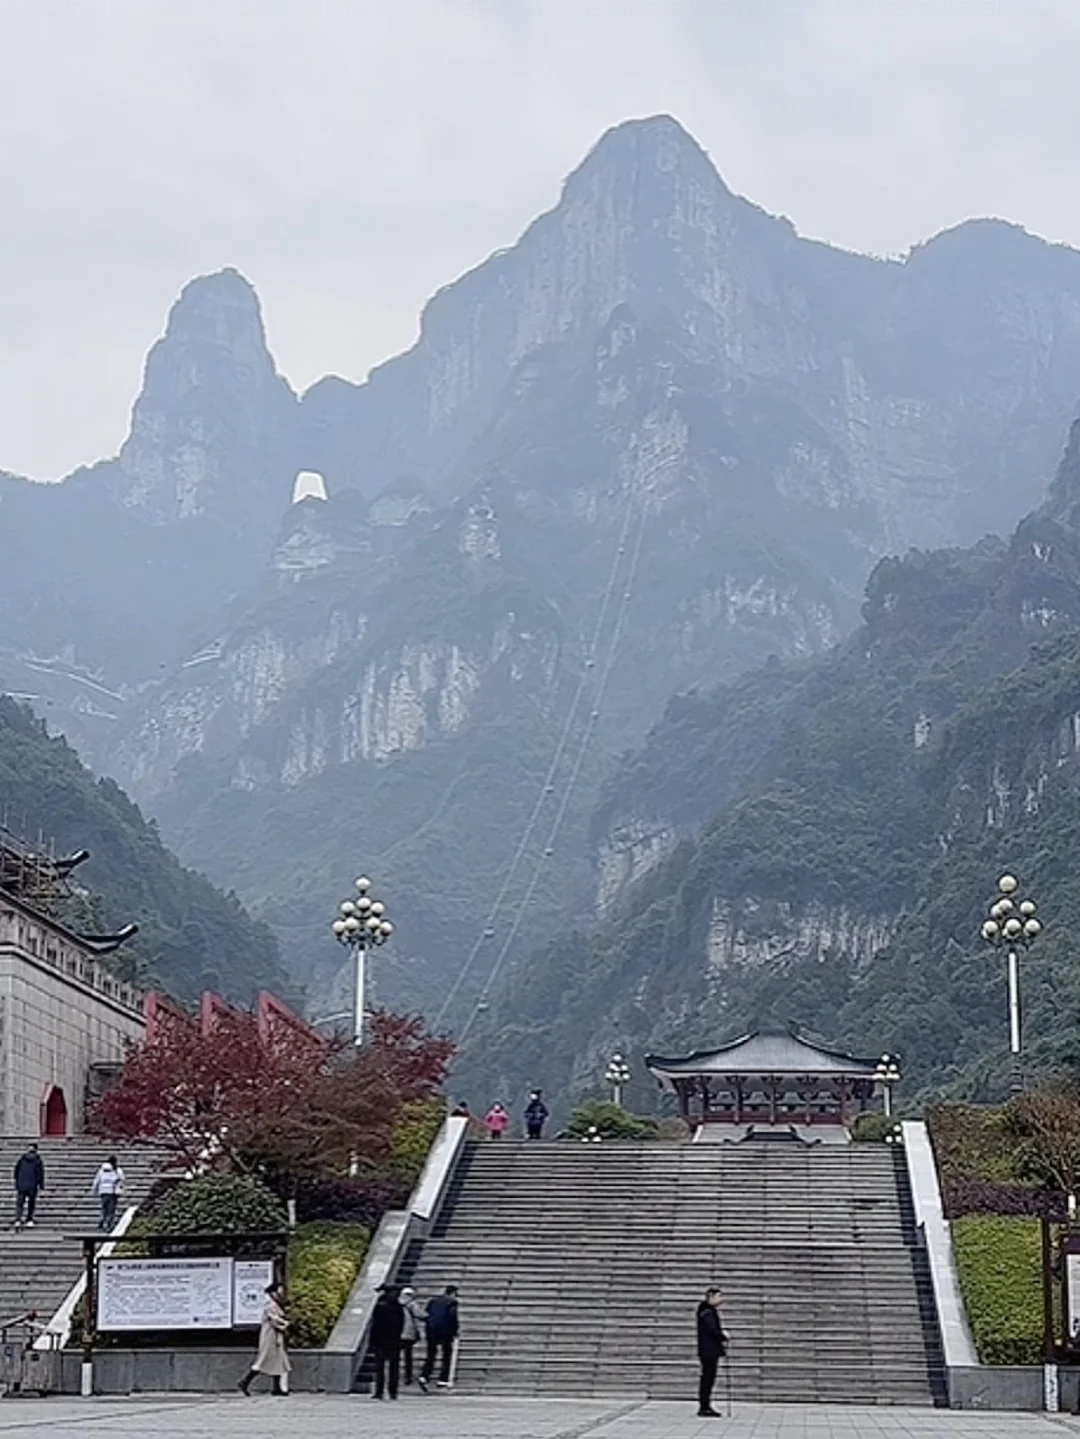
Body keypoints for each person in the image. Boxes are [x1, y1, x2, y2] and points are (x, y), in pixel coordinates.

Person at [238, 1284, 290, 1396]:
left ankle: (277, 1388)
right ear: (273, 1292)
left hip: (274, 1337)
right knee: (263, 1361)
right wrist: (285, 1325)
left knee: (278, 1361)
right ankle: (245, 1382)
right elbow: (275, 1321)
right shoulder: (271, 1305)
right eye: (279, 1291)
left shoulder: (274, 1304)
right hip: (270, 1337)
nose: (281, 1293)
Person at [696, 1286, 730, 1418]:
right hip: (709, 1350)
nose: (721, 1299)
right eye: (719, 1296)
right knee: (708, 1377)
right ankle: (704, 1406)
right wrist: (723, 1335)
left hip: (708, 1349)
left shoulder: (705, 1310)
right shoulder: (707, 1312)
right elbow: (712, 1331)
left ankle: (705, 1404)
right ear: (711, 1297)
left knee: (708, 1377)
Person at [419, 1284, 459, 1391]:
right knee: (446, 1354)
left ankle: (424, 1375)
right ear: (453, 1293)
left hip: (431, 1330)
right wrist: (455, 1331)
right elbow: (452, 1317)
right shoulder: (452, 1303)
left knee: (431, 1354)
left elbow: (426, 1314)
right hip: (445, 1331)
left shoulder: (433, 1301)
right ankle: (443, 1379)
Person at [370, 1283, 405, 1400]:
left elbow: (375, 1325)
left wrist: (372, 1341)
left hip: (381, 1340)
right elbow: (400, 1324)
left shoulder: (381, 1305)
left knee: (380, 1368)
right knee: (392, 1368)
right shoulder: (397, 1307)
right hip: (393, 1340)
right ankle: (392, 1392)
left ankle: (380, 1391)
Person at [13, 1143, 45, 1230]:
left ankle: (18, 1219)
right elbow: (40, 1173)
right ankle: (29, 1219)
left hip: (21, 1184)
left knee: (20, 1203)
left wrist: (17, 1182)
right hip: (32, 1185)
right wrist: (41, 1185)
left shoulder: (22, 1159)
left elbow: (16, 1171)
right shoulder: (38, 1160)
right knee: (31, 1203)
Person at [91, 1154, 125, 1231]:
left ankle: (102, 1220)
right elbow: (122, 1179)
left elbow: (97, 1180)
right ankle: (109, 1225)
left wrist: (95, 1189)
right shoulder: (117, 1170)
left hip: (103, 1191)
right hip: (112, 1191)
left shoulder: (102, 1170)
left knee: (104, 1207)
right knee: (111, 1209)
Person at [400, 1285, 423, 1386]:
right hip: (408, 1333)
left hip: (396, 1332)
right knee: (408, 1356)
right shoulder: (412, 1304)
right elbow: (421, 1314)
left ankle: (394, 1375)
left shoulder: (396, 1303)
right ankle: (407, 1376)